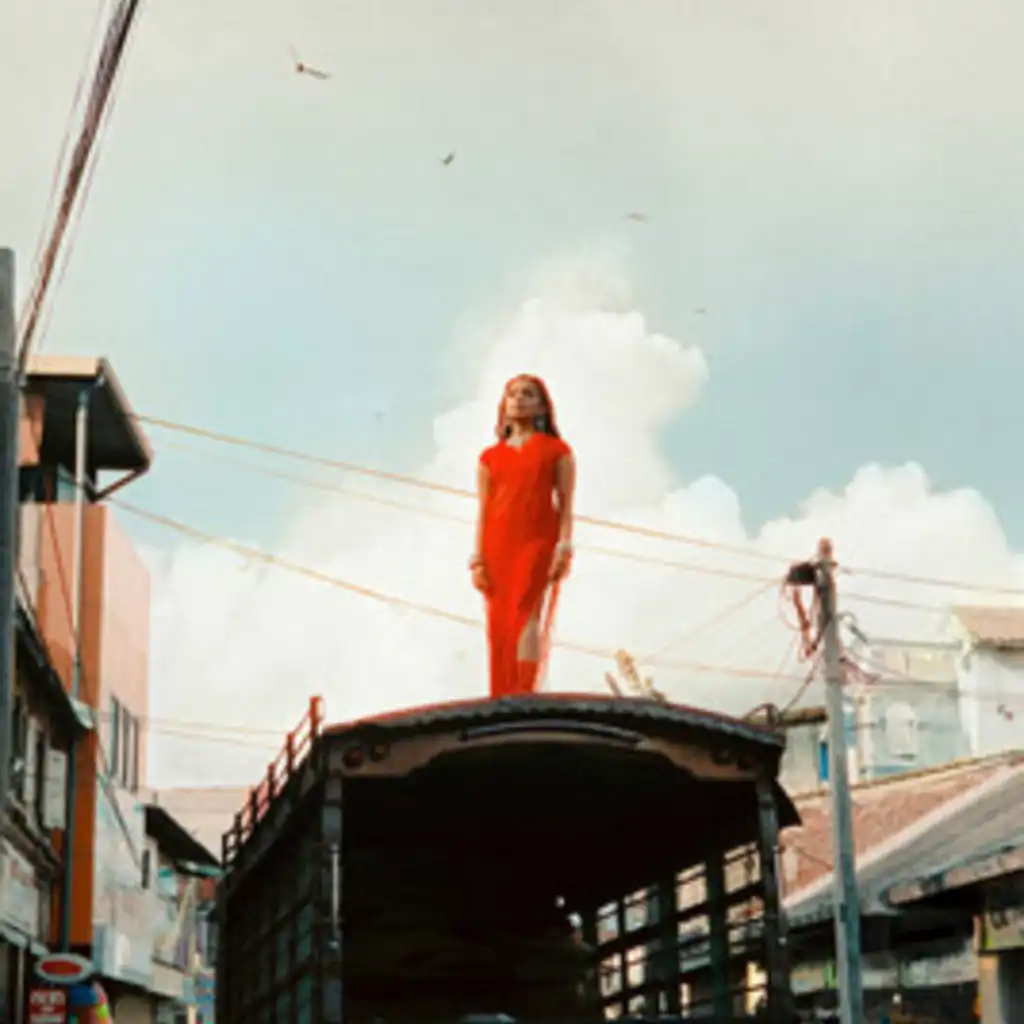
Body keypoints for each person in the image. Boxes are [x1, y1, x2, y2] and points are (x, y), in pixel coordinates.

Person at [470, 374, 576, 697]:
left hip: (537, 539)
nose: (518, 400)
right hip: (497, 545)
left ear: (541, 406)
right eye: (512, 394)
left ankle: (524, 690)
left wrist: (564, 546)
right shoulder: (489, 458)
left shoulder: (557, 451)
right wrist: (477, 559)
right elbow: (483, 509)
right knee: (499, 625)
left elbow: (566, 504)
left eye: (527, 394)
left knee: (527, 612)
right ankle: (502, 693)